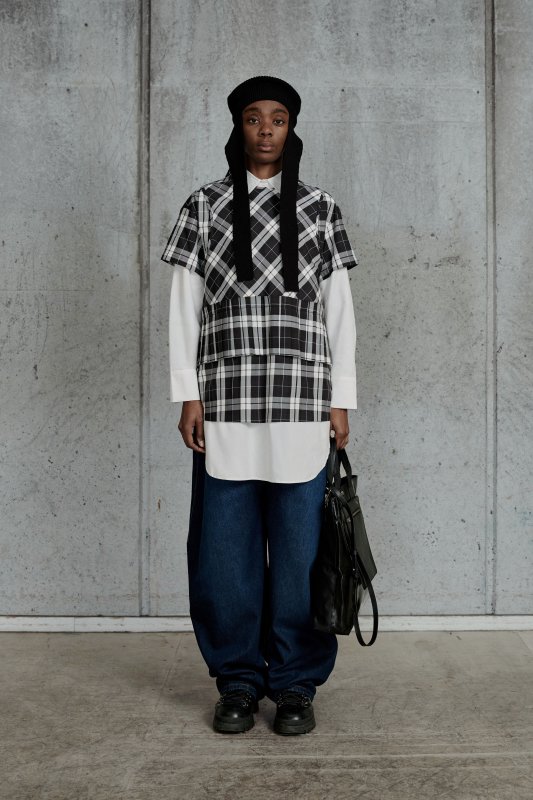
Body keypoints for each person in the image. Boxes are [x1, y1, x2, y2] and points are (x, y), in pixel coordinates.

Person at [161, 76, 358, 735]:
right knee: (223, 555)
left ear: (291, 126)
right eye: (253, 117)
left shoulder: (320, 208)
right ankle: (239, 680)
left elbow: (339, 311)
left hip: (303, 402)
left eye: (277, 118)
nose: (266, 129)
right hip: (225, 401)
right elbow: (183, 308)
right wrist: (187, 393)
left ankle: (296, 682)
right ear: (237, 126)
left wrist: (341, 399)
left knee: (302, 555)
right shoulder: (205, 206)